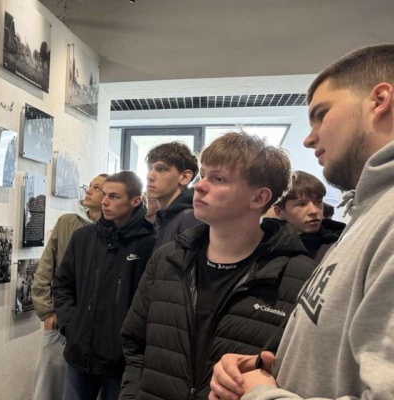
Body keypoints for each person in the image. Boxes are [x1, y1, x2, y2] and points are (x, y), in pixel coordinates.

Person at [210, 44, 394, 400]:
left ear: (380, 100)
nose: (309, 139)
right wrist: (268, 370)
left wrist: (263, 396)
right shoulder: (369, 212)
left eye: (322, 114)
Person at [120, 132, 315, 399]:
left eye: (218, 179)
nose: (199, 186)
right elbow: (134, 344)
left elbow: (301, 373)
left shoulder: (299, 277)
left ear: (259, 198)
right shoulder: (167, 259)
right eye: (202, 175)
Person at [54, 171, 156, 400]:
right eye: (105, 194)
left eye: (114, 196)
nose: (105, 201)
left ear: (135, 201)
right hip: (80, 352)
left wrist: (134, 342)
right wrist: (71, 325)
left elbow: (151, 301)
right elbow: (62, 284)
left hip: (121, 359)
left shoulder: (150, 243)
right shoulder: (83, 238)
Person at [31, 173, 108, 400]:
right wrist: (47, 311)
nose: (89, 190)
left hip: (91, 327)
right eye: (90, 185)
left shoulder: (112, 231)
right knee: (47, 386)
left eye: (97, 187)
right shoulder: (67, 222)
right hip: (60, 321)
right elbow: (45, 268)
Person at [273, 171, 345, 263]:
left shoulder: (340, 244)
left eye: (318, 202)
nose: (314, 211)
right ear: (279, 212)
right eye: (302, 204)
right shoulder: (266, 250)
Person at [145, 141, 203, 248]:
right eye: (149, 168)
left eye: (160, 169)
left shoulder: (190, 219)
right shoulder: (162, 218)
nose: (149, 176)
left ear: (184, 177)